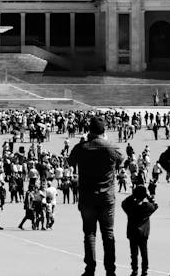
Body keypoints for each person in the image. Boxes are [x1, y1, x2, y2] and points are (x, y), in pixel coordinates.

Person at [69, 116, 123, 276]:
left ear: (89, 130)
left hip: (87, 196)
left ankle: (90, 268)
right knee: (108, 233)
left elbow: (71, 161)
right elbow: (121, 160)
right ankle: (110, 270)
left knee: (89, 233)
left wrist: (82, 142)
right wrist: (106, 141)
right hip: (107, 196)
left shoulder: (82, 147)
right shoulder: (110, 147)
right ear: (104, 130)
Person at [121, 185, 158, 276]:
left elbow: (123, 203)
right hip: (143, 233)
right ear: (144, 196)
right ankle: (144, 270)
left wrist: (133, 195)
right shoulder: (148, 207)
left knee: (134, 253)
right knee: (144, 253)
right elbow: (156, 205)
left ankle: (135, 270)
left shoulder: (130, 206)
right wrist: (149, 196)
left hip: (132, 232)